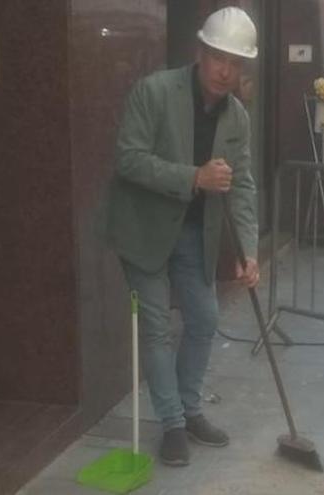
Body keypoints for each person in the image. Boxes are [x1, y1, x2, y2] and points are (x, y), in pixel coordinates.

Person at [104, 6, 260, 467]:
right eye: (217, 58)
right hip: (144, 231)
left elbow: (244, 185)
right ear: (200, 52)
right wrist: (194, 177)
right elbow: (128, 159)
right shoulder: (154, 92)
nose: (224, 70)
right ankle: (172, 423)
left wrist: (249, 250)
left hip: (196, 233)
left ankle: (190, 409)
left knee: (204, 318)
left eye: (234, 63)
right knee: (156, 329)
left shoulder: (237, 118)